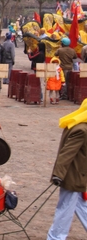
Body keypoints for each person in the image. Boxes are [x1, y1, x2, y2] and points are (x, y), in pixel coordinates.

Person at [47, 102, 87, 240]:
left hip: (79, 176)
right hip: (72, 176)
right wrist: (58, 174)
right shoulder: (82, 130)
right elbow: (67, 153)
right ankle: (55, 237)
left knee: (82, 206)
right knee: (65, 209)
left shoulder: (76, 123)